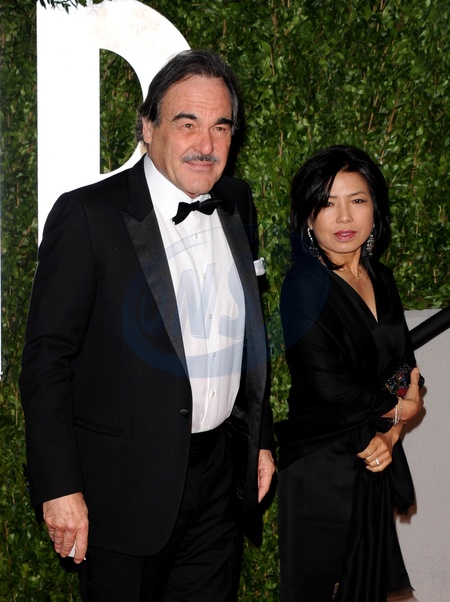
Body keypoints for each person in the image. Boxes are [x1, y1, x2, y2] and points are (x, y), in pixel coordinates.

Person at [20, 49, 275, 602]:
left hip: (219, 480)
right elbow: (46, 362)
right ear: (148, 127)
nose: (206, 144)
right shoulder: (87, 216)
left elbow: (246, 337)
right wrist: (59, 488)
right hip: (122, 489)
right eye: (187, 123)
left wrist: (259, 440)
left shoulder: (237, 202)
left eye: (220, 126)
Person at [276, 145, 424, 602]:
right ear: (308, 216)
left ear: (375, 209)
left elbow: (404, 369)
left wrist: (392, 435)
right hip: (321, 467)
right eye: (327, 203)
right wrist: (401, 408)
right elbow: (329, 386)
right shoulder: (303, 286)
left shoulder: (381, 278)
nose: (344, 216)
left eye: (357, 200)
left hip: (373, 455)